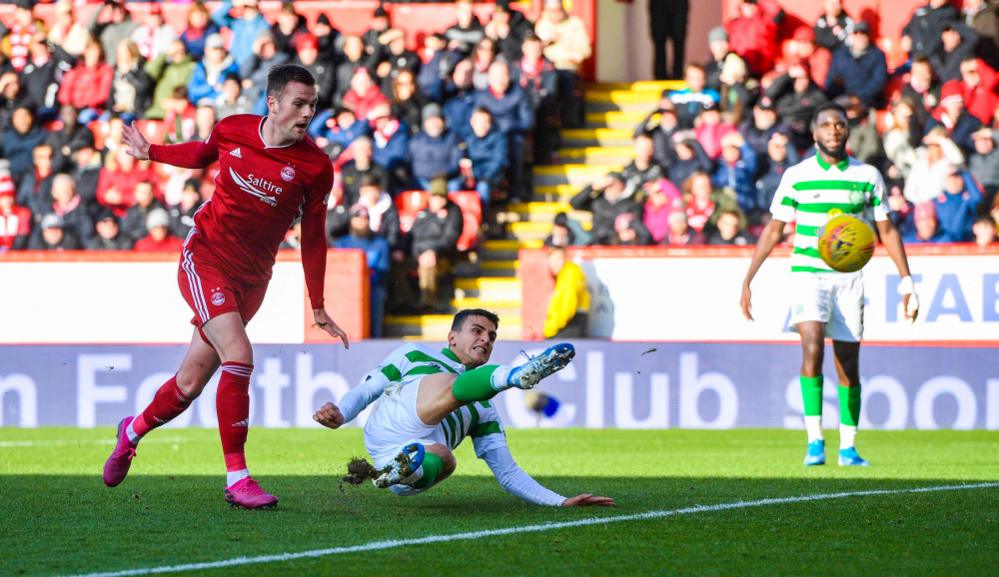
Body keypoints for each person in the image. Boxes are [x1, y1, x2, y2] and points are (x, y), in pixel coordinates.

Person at [102, 64, 347, 509]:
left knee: (191, 381)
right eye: (298, 103)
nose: (307, 112)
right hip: (206, 258)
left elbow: (314, 235)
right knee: (240, 355)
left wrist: (318, 303)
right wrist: (150, 151)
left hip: (253, 279)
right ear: (272, 103)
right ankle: (238, 478)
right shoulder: (234, 130)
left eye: (312, 104)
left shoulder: (315, 167)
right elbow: (200, 154)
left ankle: (131, 431)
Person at [740, 103, 919, 468]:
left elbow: (886, 229)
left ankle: (849, 447)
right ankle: (815, 441)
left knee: (848, 363)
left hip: (850, 278)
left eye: (840, 125)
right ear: (815, 132)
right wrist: (748, 278)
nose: (834, 130)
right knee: (812, 348)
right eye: (826, 125)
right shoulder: (796, 176)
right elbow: (775, 229)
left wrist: (906, 281)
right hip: (808, 272)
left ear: (847, 131)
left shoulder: (867, 175)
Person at [313, 309, 613, 507]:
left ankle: (402, 471)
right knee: (449, 382)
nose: (486, 339)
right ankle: (517, 375)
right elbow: (368, 388)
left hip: (411, 471)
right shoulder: (413, 353)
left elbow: (507, 472)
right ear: (452, 337)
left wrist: (559, 502)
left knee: (446, 458)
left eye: (492, 336)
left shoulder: (484, 408)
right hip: (391, 426)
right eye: (478, 331)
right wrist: (342, 413)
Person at [543, 247, 590, 338]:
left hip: (568, 328)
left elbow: (566, 307)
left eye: (559, 259)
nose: (555, 264)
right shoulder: (566, 274)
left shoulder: (569, 274)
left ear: (565, 259)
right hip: (570, 326)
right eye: (552, 260)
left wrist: (550, 330)